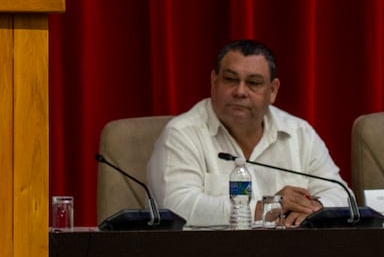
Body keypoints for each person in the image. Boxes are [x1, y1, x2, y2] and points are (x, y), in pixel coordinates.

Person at [146, 39, 347, 228]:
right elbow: (176, 206)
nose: (240, 91)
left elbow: (342, 195)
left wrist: (313, 209)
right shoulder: (181, 134)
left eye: (254, 83)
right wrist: (263, 209)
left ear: (273, 90)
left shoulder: (299, 134)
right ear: (214, 82)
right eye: (230, 79)